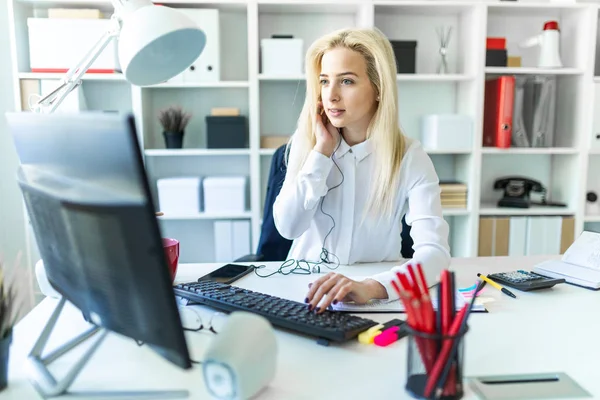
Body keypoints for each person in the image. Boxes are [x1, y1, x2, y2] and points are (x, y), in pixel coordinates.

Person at [272, 27, 451, 313]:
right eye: (324, 81)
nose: (330, 96)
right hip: (304, 292)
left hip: (376, 296)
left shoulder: (409, 157)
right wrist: (321, 153)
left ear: (378, 88)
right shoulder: (305, 144)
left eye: (346, 81)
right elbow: (288, 228)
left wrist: (371, 287)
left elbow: (435, 255)